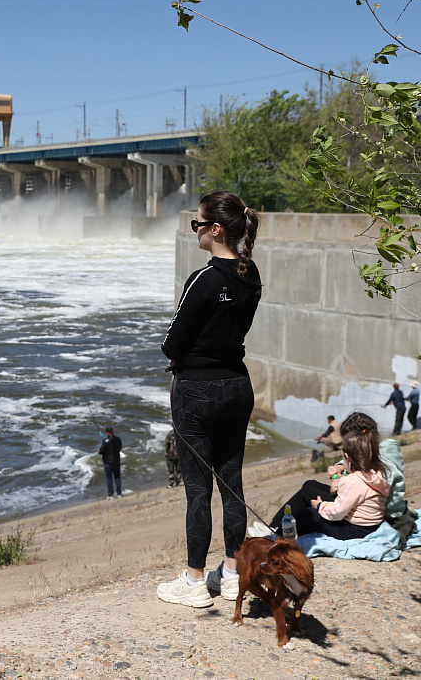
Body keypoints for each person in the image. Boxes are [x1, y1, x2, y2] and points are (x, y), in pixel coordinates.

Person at [157, 191, 261, 608]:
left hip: (196, 391)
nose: (194, 230)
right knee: (231, 483)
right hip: (237, 385)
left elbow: (172, 342)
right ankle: (234, 575)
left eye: (197, 224)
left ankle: (195, 580)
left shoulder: (206, 278)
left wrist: (181, 357)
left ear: (215, 230)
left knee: (197, 490)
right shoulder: (249, 273)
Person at [258, 412, 390, 540]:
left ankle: (275, 537)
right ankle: (276, 529)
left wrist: (320, 506)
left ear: (348, 457)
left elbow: (338, 512)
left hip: (354, 529)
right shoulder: (376, 475)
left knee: (308, 514)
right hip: (370, 526)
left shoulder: (353, 481)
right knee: (310, 488)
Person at [98, 427, 123, 498]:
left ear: (108, 433)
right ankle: (119, 493)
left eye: (106, 432)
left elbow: (101, 451)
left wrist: (99, 450)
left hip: (108, 462)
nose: (105, 433)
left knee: (109, 478)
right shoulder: (118, 439)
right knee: (117, 477)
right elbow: (120, 447)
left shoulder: (106, 441)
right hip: (116, 461)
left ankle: (110, 495)